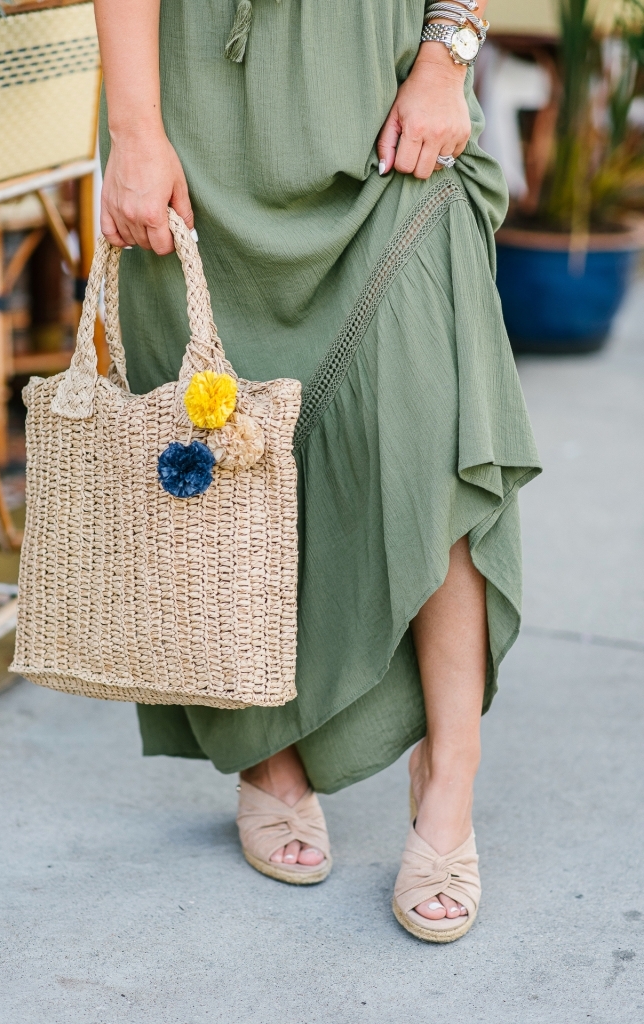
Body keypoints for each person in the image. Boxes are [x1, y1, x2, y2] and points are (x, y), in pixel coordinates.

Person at [94, 0, 540, 942]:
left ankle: (448, 774)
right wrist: (135, 131)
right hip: (201, 121)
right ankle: (265, 750)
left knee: (432, 443)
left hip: (389, 103)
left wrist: (448, 53)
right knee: (221, 464)